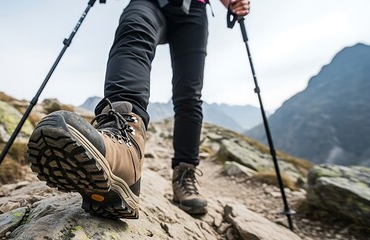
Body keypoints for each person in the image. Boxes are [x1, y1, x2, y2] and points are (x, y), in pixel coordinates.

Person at [27, 0, 250, 219]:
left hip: (195, 7)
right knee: (133, 31)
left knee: (189, 95)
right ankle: (123, 141)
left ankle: (185, 173)